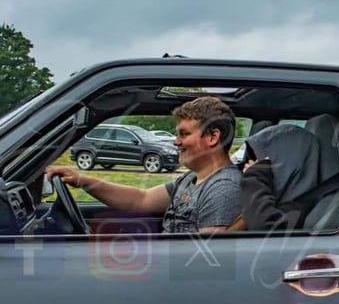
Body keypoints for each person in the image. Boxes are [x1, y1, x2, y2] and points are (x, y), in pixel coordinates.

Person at [47, 96, 242, 234]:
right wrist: (81, 180)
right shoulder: (191, 179)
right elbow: (141, 199)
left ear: (213, 137)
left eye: (184, 134)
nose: (176, 142)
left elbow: (206, 257)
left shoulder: (223, 188)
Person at [229, 124, 321, 231]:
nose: (248, 166)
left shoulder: (297, 210)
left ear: (287, 166)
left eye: (261, 164)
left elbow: (262, 225)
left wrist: (255, 175)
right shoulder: (272, 201)